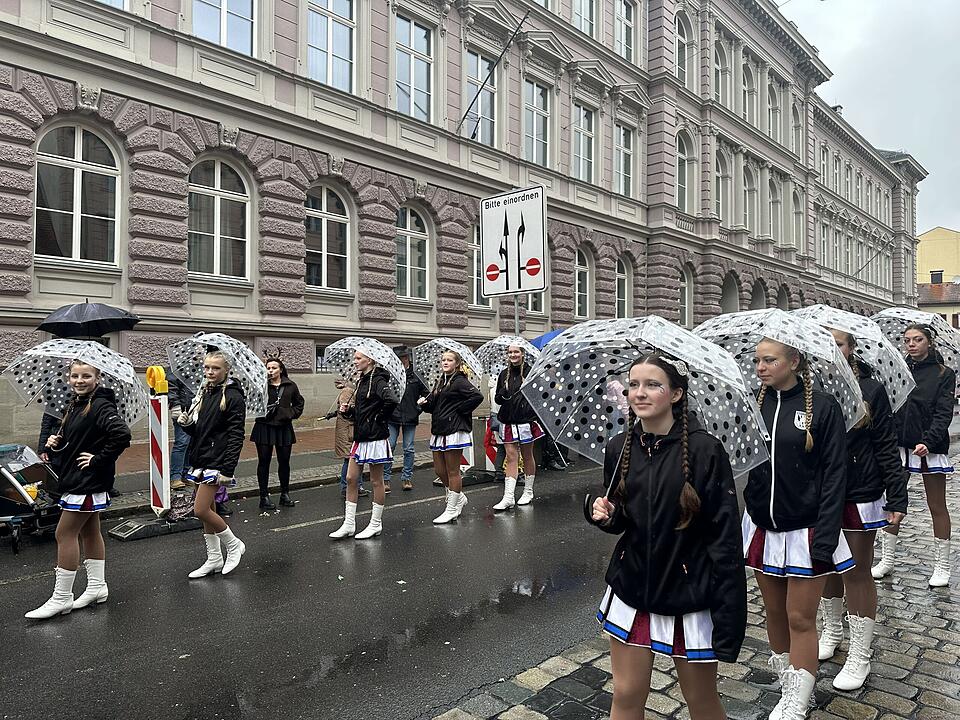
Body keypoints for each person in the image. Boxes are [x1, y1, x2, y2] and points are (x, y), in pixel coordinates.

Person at [588, 354, 746, 720]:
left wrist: (729, 621)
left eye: (652, 385)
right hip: (631, 588)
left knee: (701, 700)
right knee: (625, 694)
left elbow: (724, 540)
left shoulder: (706, 451)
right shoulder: (619, 447)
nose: (639, 393)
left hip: (687, 595)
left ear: (676, 394)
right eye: (633, 384)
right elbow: (624, 520)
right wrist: (605, 515)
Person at [743, 339, 850, 719]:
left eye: (769, 360)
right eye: (757, 360)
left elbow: (836, 474)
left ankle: (798, 702)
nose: (760, 367)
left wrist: (826, 534)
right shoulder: (752, 404)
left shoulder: (823, 407)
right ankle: (787, 684)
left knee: (800, 617)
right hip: (764, 530)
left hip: (807, 530)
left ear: (794, 361)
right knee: (773, 613)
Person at [816, 330, 908, 690]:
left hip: (859, 490)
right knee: (824, 566)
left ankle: (860, 654)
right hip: (821, 493)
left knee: (856, 571)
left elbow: (886, 443)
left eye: (838, 344)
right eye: (825, 345)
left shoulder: (870, 389)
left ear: (851, 348)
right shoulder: (810, 391)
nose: (832, 351)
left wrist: (897, 496)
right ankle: (832, 629)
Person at [26, 360, 132, 619]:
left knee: (64, 534)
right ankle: (97, 587)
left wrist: (97, 459)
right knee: (90, 532)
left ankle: (62, 597)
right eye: (75, 376)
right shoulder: (77, 404)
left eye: (86, 376)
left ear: (97, 378)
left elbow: (122, 435)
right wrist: (55, 441)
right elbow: (81, 439)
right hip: (79, 479)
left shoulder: (100, 404)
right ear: (69, 377)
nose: (79, 380)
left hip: (87, 481)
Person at [875, 323, 957, 586]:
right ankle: (887, 560)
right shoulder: (898, 369)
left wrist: (929, 442)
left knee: (936, 505)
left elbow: (944, 413)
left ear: (929, 342)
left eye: (917, 339)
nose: (911, 344)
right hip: (899, 445)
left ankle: (942, 566)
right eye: (907, 340)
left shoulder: (944, 374)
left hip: (929, 447)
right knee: (893, 501)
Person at [178, 350, 247, 578]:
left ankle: (234, 544)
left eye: (215, 368)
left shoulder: (233, 396)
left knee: (200, 510)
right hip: (200, 457)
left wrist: (228, 469)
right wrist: (186, 424)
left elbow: (237, 434)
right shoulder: (205, 392)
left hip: (217, 461)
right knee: (209, 509)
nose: (209, 372)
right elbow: (201, 431)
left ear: (227, 369)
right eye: (207, 368)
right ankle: (214, 558)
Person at [329, 351, 398, 540]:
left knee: (377, 481)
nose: (355, 361)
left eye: (359, 358)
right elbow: (363, 409)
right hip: (361, 437)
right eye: (355, 358)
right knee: (351, 478)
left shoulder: (378, 381)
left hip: (375, 437)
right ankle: (349, 523)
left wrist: (377, 418)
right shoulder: (362, 380)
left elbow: (391, 401)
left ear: (370, 360)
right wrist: (349, 410)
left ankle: (375, 523)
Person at [419, 350, 484, 524]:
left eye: (449, 360)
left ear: (457, 363)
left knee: (453, 471)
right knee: (440, 471)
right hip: (439, 429)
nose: (445, 362)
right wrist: (425, 404)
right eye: (443, 360)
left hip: (454, 429)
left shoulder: (460, 381)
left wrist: (459, 411)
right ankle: (459, 497)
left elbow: (477, 396)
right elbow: (435, 405)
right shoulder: (441, 381)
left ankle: (452, 508)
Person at [250, 356, 305, 510]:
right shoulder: (260, 385)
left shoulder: (290, 385)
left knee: (284, 461)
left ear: (280, 369)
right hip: (264, 427)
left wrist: (287, 413)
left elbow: (299, 404)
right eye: (268, 368)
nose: (271, 370)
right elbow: (251, 403)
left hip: (283, 428)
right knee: (264, 462)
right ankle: (264, 496)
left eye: (274, 368)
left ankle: (284, 493)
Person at [493, 345, 543, 510]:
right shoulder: (503, 374)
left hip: (526, 420)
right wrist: (501, 394)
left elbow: (538, 395)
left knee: (527, 455)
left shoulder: (531, 372)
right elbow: (498, 399)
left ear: (522, 354)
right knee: (511, 457)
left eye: (516, 352)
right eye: (510, 352)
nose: (512, 355)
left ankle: (528, 491)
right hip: (508, 420)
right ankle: (508, 497)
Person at [383, 346, 428, 492]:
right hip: (392, 416)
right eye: (398, 358)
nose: (401, 360)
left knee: (409, 448)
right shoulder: (390, 374)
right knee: (390, 446)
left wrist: (418, 407)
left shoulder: (416, 375)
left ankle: (406, 477)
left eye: (403, 357)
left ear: (407, 358)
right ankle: (385, 479)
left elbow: (426, 393)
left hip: (410, 415)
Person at [324, 377, 368, 498]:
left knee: (354, 459)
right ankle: (347, 487)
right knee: (350, 459)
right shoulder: (348, 391)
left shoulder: (351, 390)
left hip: (350, 430)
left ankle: (356, 486)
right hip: (348, 431)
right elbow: (346, 412)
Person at [166, 368, 192, 491]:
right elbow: (171, 386)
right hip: (183, 410)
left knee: (192, 443)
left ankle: (185, 474)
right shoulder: (177, 367)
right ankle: (175, 477)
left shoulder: (202, 367)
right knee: (182, 442)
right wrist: (175, 405)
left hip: (195, 409)